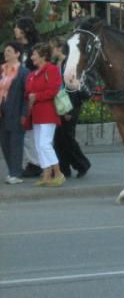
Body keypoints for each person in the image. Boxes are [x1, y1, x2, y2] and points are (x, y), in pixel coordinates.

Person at [50, 38, 91, 178]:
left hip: (70, 105)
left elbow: (74, 88)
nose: (51, 50)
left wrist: (70, 110)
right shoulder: (56, 64)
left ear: (60, 48)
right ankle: (64, 168)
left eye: (53, 47)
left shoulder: (70, 64)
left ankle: (82, 164)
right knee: (59, 138)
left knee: (68, 137)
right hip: (59, 104)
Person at [24, 43, 65, 186]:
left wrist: (36, 96)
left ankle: (58, 172)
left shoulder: (52, 70)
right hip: (36, 114)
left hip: (48, 112)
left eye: (34, 54)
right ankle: (46, 174)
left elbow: (53, 90)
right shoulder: (32, 74)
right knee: (39, 145)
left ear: (43, 56)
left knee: (44, 143)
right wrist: (30, 96)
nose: (32, 57)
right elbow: (28, 91)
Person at [14, 17, 42, 177]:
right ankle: (30, 162)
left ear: (24, 29)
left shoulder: (34, 48)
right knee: (24, 128)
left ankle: (34, 163)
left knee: (30, 129)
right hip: (19, 90)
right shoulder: (16, 47)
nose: (15, 30)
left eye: (17, 27)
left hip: (31, 91)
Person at [0, 42, 29, 184]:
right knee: (5, 143)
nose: (6, 53)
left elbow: (27, 95)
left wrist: (24, 114)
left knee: (16, 144)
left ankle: (16, 174)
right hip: (2, 112)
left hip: (16, 112)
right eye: (5, 51)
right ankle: (12, 170)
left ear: (17, 54)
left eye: (9, 51)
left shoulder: (23, 72)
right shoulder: (1, 70)